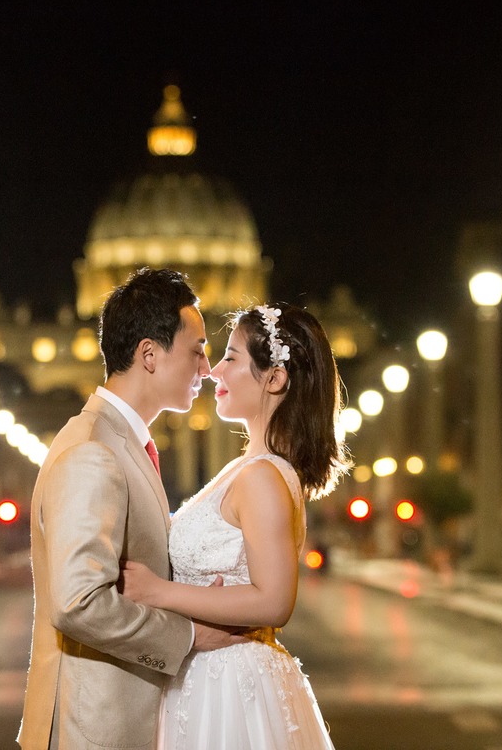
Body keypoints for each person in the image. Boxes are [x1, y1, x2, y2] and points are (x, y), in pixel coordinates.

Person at [18, 268, 243, 750]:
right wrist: (188, 636)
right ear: (149, 354)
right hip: (98, 731)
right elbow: (78, 603)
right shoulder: (93, 452)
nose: (207, 368)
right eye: (197, 349)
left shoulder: (116, 443)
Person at [122, 302, 349, 749]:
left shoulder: (263, 476)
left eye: (230, 358)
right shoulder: (247, 467)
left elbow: (274, 600)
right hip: (208, 679)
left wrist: (158, 591)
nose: (212, 372)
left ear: (275, 378)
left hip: (230, 688)